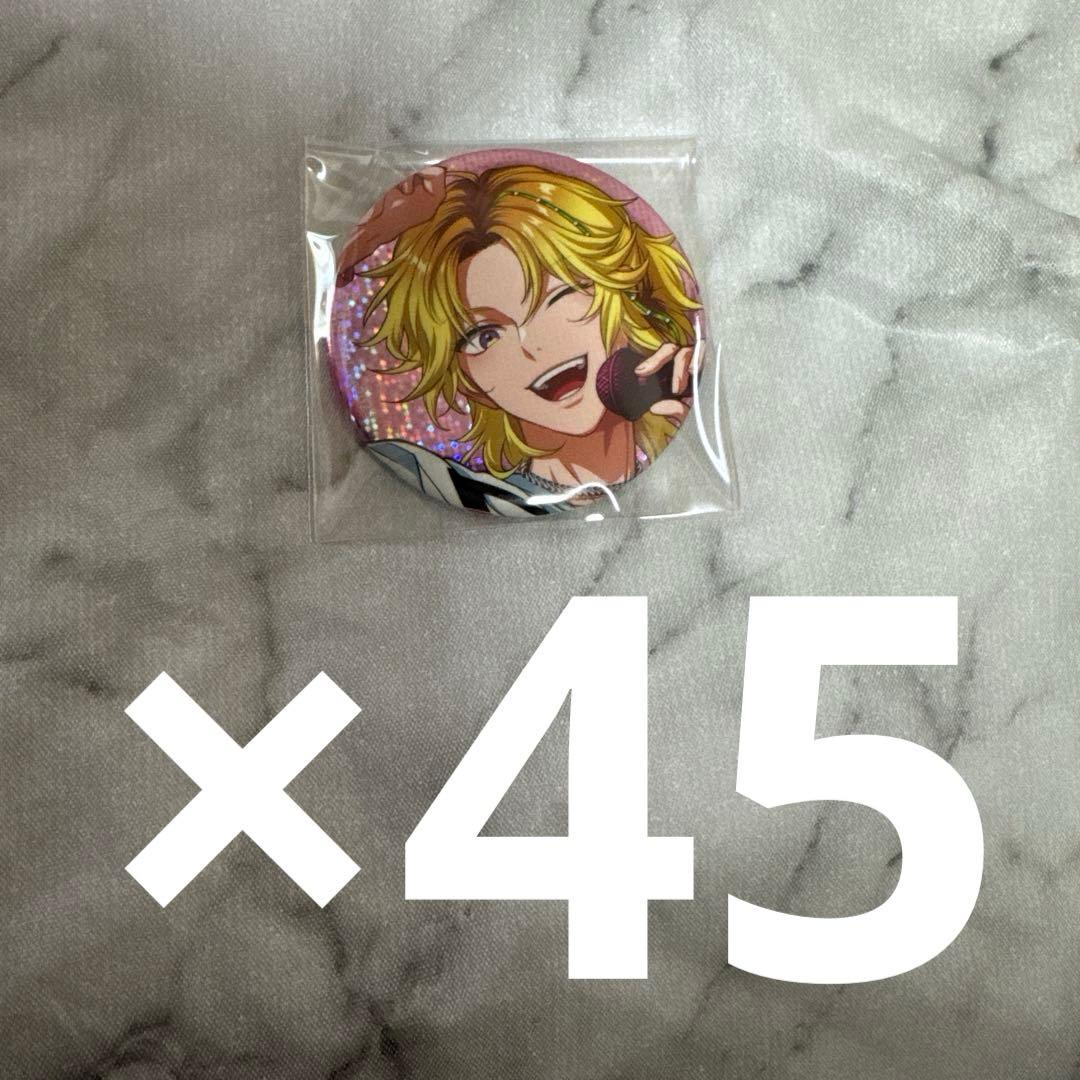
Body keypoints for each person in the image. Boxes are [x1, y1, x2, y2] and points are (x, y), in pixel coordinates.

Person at [336, 162, 700, 515]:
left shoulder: (682, 440)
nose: (533, 347)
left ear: (627, 297)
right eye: (485, 336)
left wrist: (689, 402)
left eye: (559, 295)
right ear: (467, 379)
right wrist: (367, 238)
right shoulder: (457, 483)